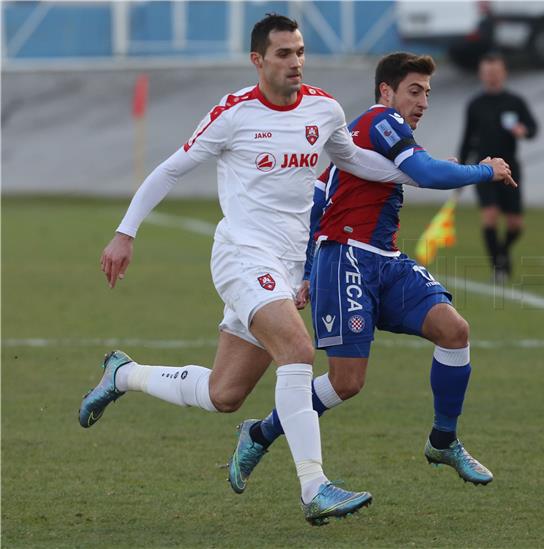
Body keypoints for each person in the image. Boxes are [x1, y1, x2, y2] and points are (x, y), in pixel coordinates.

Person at [78, 13, 423, 526]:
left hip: (285, 265)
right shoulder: (234, 113)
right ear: (258, 60)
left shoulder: (325, 109)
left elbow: (355, 162)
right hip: (241, 254)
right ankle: (315, 487)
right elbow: (172, 167)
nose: (296, 62)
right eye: (284, 54)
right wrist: (125, 232)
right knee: (299, 350)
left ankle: (122, 375)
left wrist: (430, 174)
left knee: (225, 394)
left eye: (300, 52)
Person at [227, 52, 517, 494]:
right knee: (347, 383)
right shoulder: (382, 120)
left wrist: (306, 265)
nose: (422, 102)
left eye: (427, 94)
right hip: (345, 258)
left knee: (454, 330)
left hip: (384, 259)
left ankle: (443, 440)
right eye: (414, 91)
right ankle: (260, 433)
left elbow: (320, 197)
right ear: (386, 92)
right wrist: (485, 169)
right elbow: (423, 172)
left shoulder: (361, 137)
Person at [458, 52, 538, 282]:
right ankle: (498, 267)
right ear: (481, 75)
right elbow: (466, 140)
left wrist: (525, 131)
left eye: (496, 72)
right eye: (487, 73)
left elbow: (533, 128)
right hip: (484, 170)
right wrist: (460, 173)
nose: (492, 77)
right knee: (490, 216)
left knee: (515, 224)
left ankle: (502, 253)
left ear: (504, 73)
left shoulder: (515, 102)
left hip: (511, 170)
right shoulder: (475, 105)